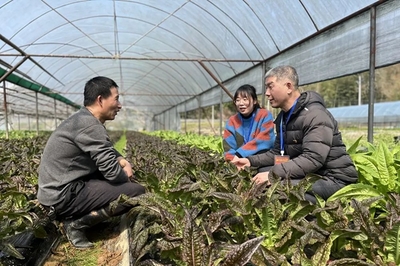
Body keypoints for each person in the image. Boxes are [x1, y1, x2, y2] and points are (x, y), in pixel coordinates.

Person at [37, 76, 146, 249]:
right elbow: (113, 174)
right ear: (100, 100)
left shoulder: (83, 119)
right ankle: (76, 224)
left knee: (117, 181)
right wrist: (126, 175)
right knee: (136, 192)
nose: (119, 105)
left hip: (60, 188)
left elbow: (104, 148)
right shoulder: (89, 125)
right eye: (116, 99)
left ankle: (88, 215)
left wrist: (121, 159)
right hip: (61, 196)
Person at [232, 66, 358, 203]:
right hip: (312, 174)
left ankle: (317, 217)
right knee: (260, 171)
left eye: (270, 87)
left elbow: (313, 158)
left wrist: (272, 175)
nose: (267, 93)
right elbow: (277, 153)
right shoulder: (284, 117)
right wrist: (250, 161)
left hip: (332, 179)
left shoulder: (315, 115)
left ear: (288, 86)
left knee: (276, 189)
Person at [223, 84, 275, 167]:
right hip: (239, 162)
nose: (241, 103)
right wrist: (232, 162)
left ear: (254, 101)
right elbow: (228, 147)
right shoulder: (232, 121)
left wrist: (240, 154)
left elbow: (266, 139)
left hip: (262, 160)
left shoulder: (264, 115)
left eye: (245, 99)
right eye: (238, 100)